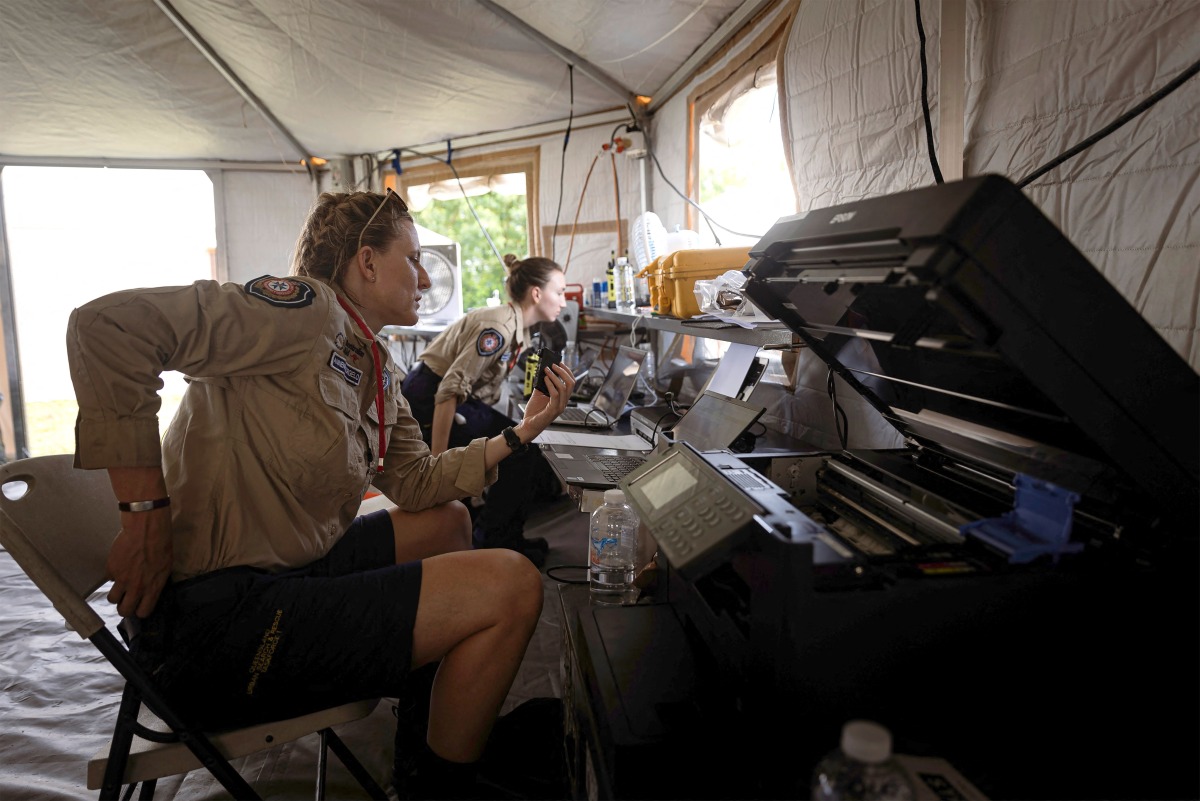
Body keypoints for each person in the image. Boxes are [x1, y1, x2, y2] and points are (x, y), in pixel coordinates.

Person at [65, 187, 576, 799]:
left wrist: (522, 433)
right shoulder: (302, 311)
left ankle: (431, 744)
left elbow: (416, 482)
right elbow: (105, 329)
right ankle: (444, 789)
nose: (423, 276)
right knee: (513, 583)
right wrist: (144, 518)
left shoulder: (374, 363)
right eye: (412, 258)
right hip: (214, 628)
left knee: (446, 525)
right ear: (366, 262)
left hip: (285, 577)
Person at [401, 253, 569, 566]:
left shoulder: (518, 327)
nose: (564, 301)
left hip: (450, 397)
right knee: (519, 452)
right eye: (558, 292)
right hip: (429, 398)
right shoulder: (499, 328)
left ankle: (503, 535)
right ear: (536, 293)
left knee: (523, 446)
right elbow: (448, 390)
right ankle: (495, 543)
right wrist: (438, 468)